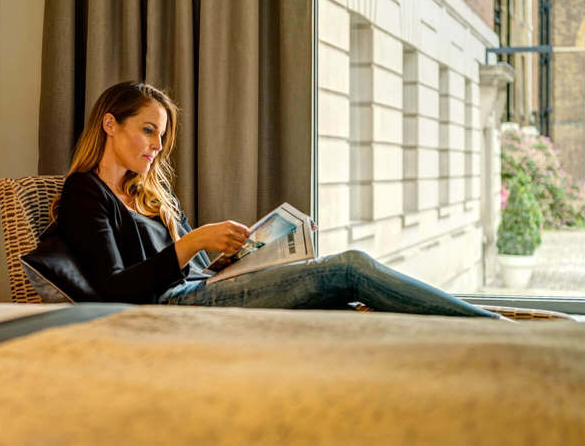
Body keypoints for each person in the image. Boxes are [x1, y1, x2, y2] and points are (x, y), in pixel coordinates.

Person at [52, 81, 507, 320]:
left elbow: (190, 268)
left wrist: (237, 258)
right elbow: (114, 290)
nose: (156, 144)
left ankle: (472, 323)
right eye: (147, 129)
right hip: (176, 305)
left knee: (336, 285)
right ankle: (490, 325)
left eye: (162, 134)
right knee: (350, 268)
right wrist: (197, 241)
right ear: (111, 124)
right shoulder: (84, 192)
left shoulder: (149, 193)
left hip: (199, 289)